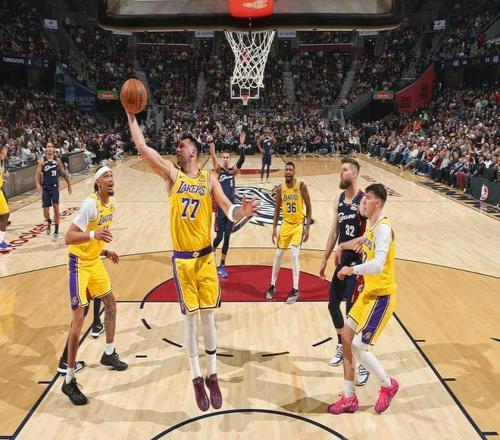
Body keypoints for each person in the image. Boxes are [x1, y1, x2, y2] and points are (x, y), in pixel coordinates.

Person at [127, 113, 259, 412]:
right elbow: (143, 148)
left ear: (194, 152)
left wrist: (243, 212)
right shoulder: (172, 176)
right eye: (177, 145)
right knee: (190, 319)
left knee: (208, 317)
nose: (177, 148)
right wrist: (131, 115)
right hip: (183, 261)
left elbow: (228, 209)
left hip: (205, 258)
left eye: (182, 145)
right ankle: (196, 377)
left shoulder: (208, 178)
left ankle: (213, 374)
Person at [328, 183, 399, 415]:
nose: (363, 201)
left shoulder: (383, 229)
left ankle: (388, 385)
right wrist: (341, 248)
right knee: (346, 339)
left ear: (377, 203)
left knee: (359, 346)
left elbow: (378, 265)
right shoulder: (371, 227)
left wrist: (352, 269)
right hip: (368, 294)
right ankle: (349, 398)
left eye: (367, 198)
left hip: (381, 297)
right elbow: (358, 242)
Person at [61, 166, 127, 406]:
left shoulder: (111, 205)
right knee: (79, 320)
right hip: (78, 264)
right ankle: (69, 380)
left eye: (112, 176)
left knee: (111, 305)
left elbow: (98, 237)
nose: (110, 179)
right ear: (98, 182)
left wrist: (105, 251)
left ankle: (109, 353)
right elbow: (68, 237)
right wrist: (93, 236)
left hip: (94, 262)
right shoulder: (90, 204)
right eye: (106, 176)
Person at [319, 157, 369, 386]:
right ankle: (342, 344)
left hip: (357, 265)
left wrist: (355, 244)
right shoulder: (339, 199)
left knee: (352, 315)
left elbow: (370, 233)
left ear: (355, 174)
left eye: (345, 170)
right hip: (342, 262)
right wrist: (324, 257)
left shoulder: (363, 201)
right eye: (341, 170)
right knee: (332, 305)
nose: (341, 173)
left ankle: (363, 362)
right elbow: (334, 231)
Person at [265, 162, 312, 304]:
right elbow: (276, 209)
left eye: (291, 169)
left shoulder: (301, 186)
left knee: (294, 255)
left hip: (298, 225)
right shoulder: (281, 188)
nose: (288, 171)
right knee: (278, 254)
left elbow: (309, 206)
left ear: (294, 172)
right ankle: (272, 285)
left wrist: (307, 227)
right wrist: (274, 228)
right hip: (285, 224)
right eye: (286, 169)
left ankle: (295, 289)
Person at [209, 131, 246, 278]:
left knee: (227, 237)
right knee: (219, 237)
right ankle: (211, 253)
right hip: (220, 208)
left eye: (227, 157)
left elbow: (242, 159)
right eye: (223, 157)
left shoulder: (232, 171)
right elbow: (213, 157)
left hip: (231, 209)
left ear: (230, 159)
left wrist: (242, 144)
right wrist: (211, 143)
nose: (225, 159)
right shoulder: (219, 171)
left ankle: (222, 265)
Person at [35, 143, 72, 239]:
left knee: (56, 209)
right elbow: (37, 174)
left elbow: (63, 173)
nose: (50, 148)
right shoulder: (42, 161)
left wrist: (68, 184)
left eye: (51, 147)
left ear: (53, 149)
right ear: (46, 149)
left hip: (55, 188)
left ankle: (56, 231)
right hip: (45, 189)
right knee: (45, 213)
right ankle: (49, 221)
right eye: (48, 147)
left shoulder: (57, 160)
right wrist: (38, 185)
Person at [0, 144, 12, 252]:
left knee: (3, 216)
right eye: (5, 150)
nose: (6, 151)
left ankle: (1, 241)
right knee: (5, 215)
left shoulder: (2, 161)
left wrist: (2, 179)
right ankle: (0, 242)